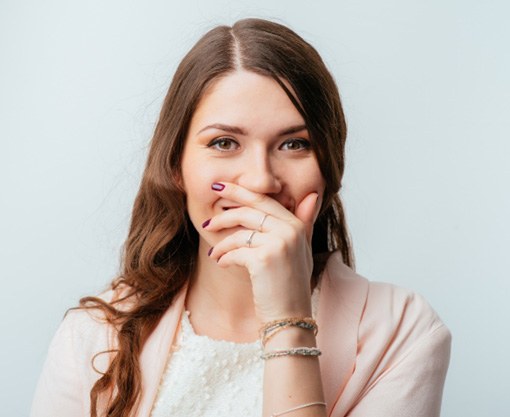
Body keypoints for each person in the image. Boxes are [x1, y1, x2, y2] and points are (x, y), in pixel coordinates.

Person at [30, 18, 451, 417]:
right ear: (176, 165)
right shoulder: (93, 334)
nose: (261, 180)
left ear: (330, 164)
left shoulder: (404, 329)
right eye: (224, 142)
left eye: (294, 144)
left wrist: (288, 318)